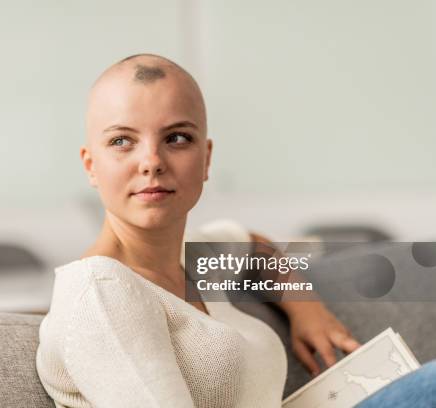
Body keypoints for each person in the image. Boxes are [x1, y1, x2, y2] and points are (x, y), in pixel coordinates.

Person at [35, 53, 365, 407]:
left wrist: (306, 309)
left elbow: (255, 247)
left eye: (176, 138)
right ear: (91, 165)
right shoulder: (101, 293)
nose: (152, 162)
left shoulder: (194, 256)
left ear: (206, 159)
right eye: (121, 141)